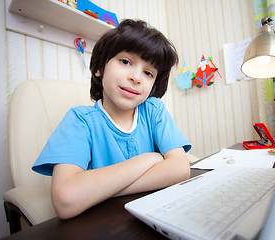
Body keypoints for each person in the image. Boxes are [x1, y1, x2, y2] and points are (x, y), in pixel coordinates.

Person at [32, 19, 191, 219]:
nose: (136, 77)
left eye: (148, 73)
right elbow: (67, 199)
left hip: (155, 215)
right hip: (104, 223)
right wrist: (148, 159)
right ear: (99, 67)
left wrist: (100, 190)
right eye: (125, 62)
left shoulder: (154, 111)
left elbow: (180, 168)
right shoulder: (80, 120)